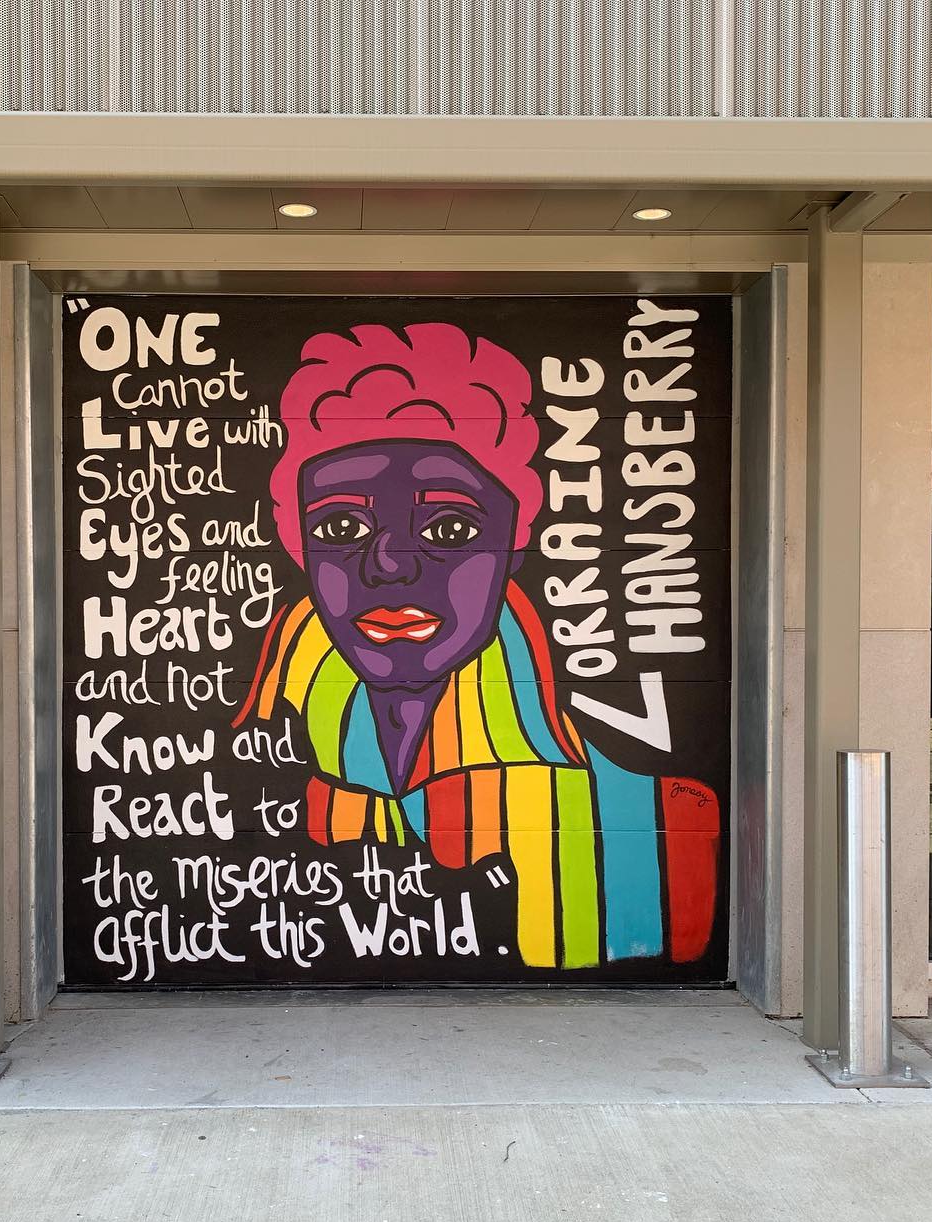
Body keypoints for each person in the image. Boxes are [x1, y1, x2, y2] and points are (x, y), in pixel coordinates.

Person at [237, 321, 718, 971]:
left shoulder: (660, 826)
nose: (389, 566)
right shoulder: (279, 759)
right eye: (343, 525)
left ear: (515, 541)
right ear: (298, 546)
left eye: (450, 527)